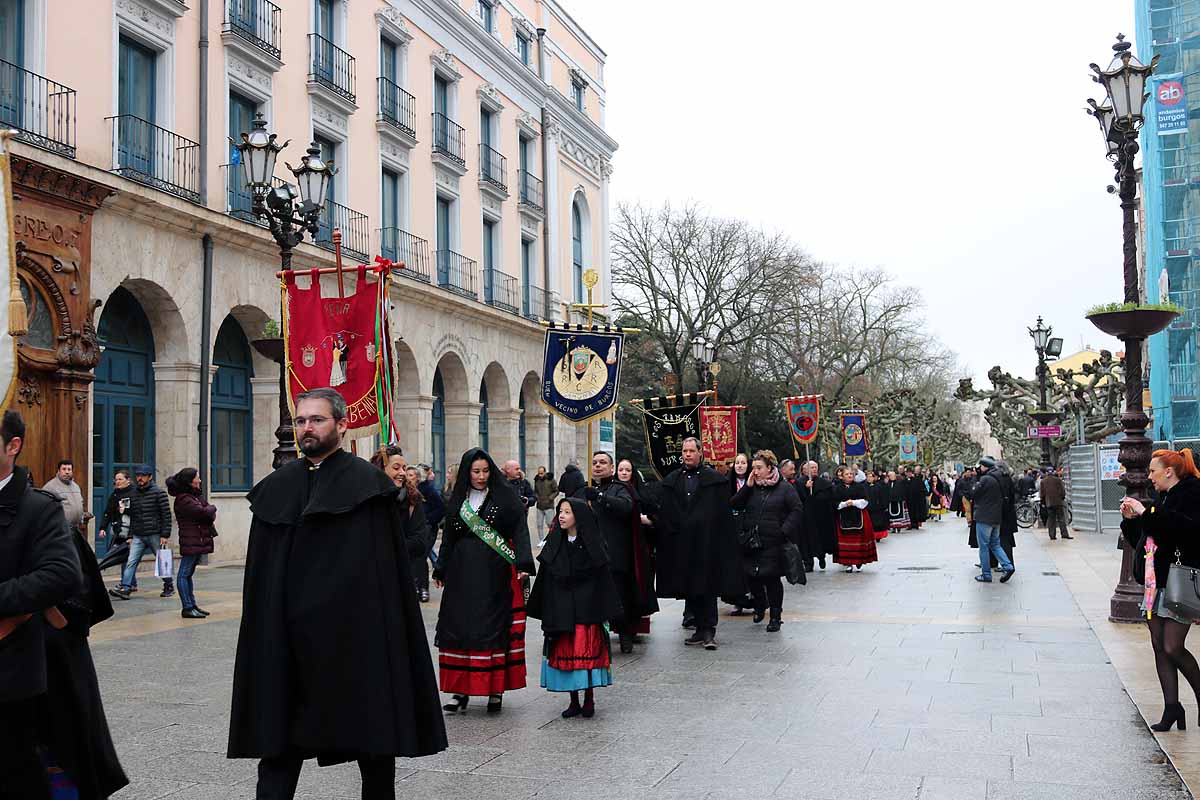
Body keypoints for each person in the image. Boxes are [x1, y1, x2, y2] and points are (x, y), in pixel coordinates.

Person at [227, 388, 447, 799]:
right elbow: (262, 579)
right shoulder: (274, 489)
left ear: (342, 425)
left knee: (374, 744)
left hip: (354, 641)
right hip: (287, 642)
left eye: (317, 419)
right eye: (300, 420)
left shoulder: (370, 487)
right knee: (278, 746)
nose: (306, 428)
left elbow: (386, 578)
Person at [0, 410, 83, 800]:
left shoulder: (38, 507)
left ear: (13, 446)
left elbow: (63, 574)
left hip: (11, 665)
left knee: (17, 771)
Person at [37, 496, 128, 800]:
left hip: (55, 654)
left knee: (59, 745)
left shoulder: (48, 527)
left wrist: (50, 614)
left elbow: (81, 599)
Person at [433, 448, 536, 714]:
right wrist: (440, 569)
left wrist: (523, 564)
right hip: (461, 573)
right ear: (467, 473)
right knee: (459, 627)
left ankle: (494, 689)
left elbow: (519, 530)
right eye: (475, 471)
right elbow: (449, 539)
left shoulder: (505, 497)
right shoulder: (458, 500)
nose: (480, 476)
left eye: (485, 470)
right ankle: (460, 690)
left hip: (494, 572)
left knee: (491, 628)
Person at [1120, 448, 1200, 732]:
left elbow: (1184, 532)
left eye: (1153, 471)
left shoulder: (1192, 493)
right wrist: (1132, 520)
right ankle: (1172, 708)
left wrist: (1148, 512)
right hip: (1155, 582)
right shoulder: (1161, 498)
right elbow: (1145, 538)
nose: (1149, 476)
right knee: (1158, 646)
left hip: (1180, 582)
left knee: (1172, 646)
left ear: (1169, 471)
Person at [526, 497, 621, 719]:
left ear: (578, 516)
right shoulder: (555, 542)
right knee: (566, 653)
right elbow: (546, 577)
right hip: (562, 610)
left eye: (567, 512)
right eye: (560, 511)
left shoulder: (593, 543)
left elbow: (602, 579)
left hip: (586, 611)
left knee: (586, 654)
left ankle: (589, 698)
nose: (561, 516)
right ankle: (573, 700)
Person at [655, 437, 743, 650]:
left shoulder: (714, 480)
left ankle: (709, 630)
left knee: (708, 587)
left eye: (691, 451)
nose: (687, 454)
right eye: (684, 451)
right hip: (683, 544)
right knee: (689, 586)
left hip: (707, 543)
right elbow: (667, 510)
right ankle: (697, 629)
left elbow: (722, 514)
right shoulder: (673, 480)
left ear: (700, 452)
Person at [575, 451, 649, 654]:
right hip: (590, 553)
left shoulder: (620, 489)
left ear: (611, 467)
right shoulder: (584, 490)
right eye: (594, 462)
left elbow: (626, 507)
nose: (598, 466)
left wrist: (600, 497)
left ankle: (625, 634)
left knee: (619, 597)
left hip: (615, 553)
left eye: (602, 463)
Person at [730, 450, 802, 632]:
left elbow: (797, 510)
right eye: (753, 468)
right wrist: (747, 486)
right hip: (751, 541)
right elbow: (735, 504)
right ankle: (760, 604)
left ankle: (776, 616)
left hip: (773, 541)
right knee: (751, 576)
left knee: (771, 579)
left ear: (770, 467)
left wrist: (783, 530)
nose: (755, 471)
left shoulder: (784, 488)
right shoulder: (751, 486)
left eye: (759, 468)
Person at [110, 464, 174, 601]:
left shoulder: (159, 493)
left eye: (143, 476)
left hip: (154, 533)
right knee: (131, 561)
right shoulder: (134, 493)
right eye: (138, 475)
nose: (140, 478)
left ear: (150, 477)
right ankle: (126, 588)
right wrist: (130, 535)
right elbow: (133, 515)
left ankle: (169, 585)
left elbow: (166, 515)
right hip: (138, 534)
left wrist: (165, 534)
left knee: (162, 560)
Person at [166, 467, 217, 620]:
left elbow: (206, 512)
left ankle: (192, 605)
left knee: (188, 574)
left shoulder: (193, 496)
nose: (200, 480)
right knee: (184, 574)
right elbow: (205, 513)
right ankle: (187, 607)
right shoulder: (184, 499)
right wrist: (212, 508)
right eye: (197, 478)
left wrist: (208, 509)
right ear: (189, 481)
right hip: (191, 540)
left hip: (196, 539)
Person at [969, 457, 1016, 584]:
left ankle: (986, 574)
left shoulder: (986, 479)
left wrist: (975, 479)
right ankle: (1008, 566)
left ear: (985, 467)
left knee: (984, 547)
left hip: (984, 517)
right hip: (997, 518)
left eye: (981, 467)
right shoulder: (1001, 477)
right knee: (995, 544)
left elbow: (972, 493)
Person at [833, 467, 878, 572]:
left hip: (859, 515)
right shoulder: (837, 488)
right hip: (843, 517)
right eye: (847, 474)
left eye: (851, 474)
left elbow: (865, 500)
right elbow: (834, 502)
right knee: (844, 541)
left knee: (860, 540)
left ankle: (859, 561)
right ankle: (848, 563)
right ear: (842, 476)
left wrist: (853, 502)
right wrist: (844, 504)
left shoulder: (859, 487)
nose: (849, 476)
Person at [797, 460, 835, 571]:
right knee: (806, 541)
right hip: (806, 517)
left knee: (820, 539)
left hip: (820, 517)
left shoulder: (824, 483)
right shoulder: (799, 483)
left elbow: (828, 497)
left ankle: (821, 557)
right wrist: (806, 488)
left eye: (815, 467)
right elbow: (799, 498)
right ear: (804, 470)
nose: (814, 469)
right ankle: (808, 563)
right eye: (811, 467)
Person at [404, 466, 435, 602]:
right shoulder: (401, 492)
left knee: (421, 559)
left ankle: (423, 588)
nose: (408, 476)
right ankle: (415, 586)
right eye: (407, 474)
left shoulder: (427, 490)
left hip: (424, 530)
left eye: (411, 474)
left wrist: (429, 521)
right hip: (409, 532)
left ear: (417, 477)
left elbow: (440, 507)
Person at [41, 459, 85, 533]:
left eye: (69, 469)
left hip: (76, 528)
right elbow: (43, 508)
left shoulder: (76, 486)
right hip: (60, 530)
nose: (67, 472)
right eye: (64, 469)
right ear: (58, 471)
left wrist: (81, 518)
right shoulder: (50, 487)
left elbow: (81, 503)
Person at [96, 469, 134, 550]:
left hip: (131, 532)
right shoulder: (115, 494)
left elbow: (137, 513)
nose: (117, 482)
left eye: (120, 479)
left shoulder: (134, 493)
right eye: (116, 480)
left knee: (129, 558)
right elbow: (108, 512)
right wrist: (103, 528)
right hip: (117, 531)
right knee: (112, 555)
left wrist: (126, 510)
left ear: (128, 480)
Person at [1039, 468, 1072, 541]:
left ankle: (1052, 535)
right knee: (1061, 518)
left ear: (1047, 473)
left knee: (1051, 519)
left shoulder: (1043, 481)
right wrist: (1061, 498)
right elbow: (1062, 491)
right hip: (1058, 502)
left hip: (1049, 503)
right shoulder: (1058, 480)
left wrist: (1043, 502)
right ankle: (1064, 534)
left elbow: (1042, 494)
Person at [534, 466, 559, 544]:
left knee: (550, 523)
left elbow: (556, 491)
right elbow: (535, 491)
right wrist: (537, 497)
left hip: (548, 505)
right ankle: (541, 540)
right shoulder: (537, 480)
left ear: (544, 472)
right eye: (539, 473)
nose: (540, 475)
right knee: (539, 524)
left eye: (541, 473)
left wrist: (550, 498)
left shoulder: (551, 480)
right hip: (539, 505)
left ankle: (553, 539)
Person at [865, 470, 891, 539]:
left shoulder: (878, 486)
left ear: (874, 478)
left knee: (877, 523)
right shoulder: (863, 486)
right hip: (867, 508)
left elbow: (882, 497)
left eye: (871, 477)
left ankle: (877, 536)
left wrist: (883, 506)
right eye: (868, 477)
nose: (869, 478)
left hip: (877, 508)